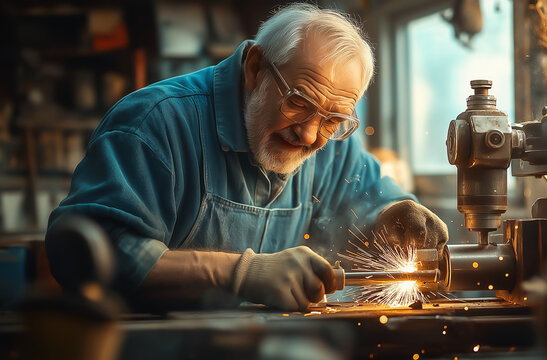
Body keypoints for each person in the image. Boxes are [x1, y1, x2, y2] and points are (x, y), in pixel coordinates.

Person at [46, 3, 448, 311]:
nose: (309, 134)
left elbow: (372, 196)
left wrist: (400, 212)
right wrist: (238, 272)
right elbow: (86, 252)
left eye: (332, 119)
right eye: (298, 102)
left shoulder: (331, 140)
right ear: (255, 68)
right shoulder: (155, 123)